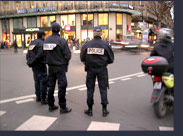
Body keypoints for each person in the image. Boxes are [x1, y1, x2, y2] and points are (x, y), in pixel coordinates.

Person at [80, 26, 114, 117]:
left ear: (93, 33)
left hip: (90, 69)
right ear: (101, 34)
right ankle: (104, 110)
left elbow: (82, 58)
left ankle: (90, 110)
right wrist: (104, 63)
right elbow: (111, 59)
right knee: (103, 89)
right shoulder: (106, 45)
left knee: (90, 89)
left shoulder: (87, 45)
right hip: (102, 69)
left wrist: (88, 62)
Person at [43, 22, 72, 113]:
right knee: (62, 86)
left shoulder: (46, 40)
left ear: (51, 30)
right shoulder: (62, 41)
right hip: (60, 67)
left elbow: (44, 54)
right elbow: (67, 55)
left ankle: (51, 105)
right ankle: (63, 107)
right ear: (59, 30)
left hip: (50, 67)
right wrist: (64, 62)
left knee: (51, 86)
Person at [26, 30, 48, 104]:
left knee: (37, 81)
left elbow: (28, 53)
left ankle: (38, 96)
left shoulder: (32, 42)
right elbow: (40, 54)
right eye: (44, 35)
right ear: (42, 36)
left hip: (34, 65)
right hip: (40, 64)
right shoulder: (42, 43)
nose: (45, 37)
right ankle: (43, 98)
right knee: (43, 81)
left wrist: (30, 61)